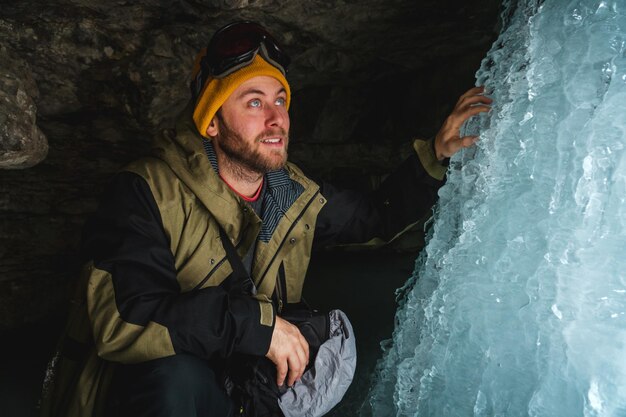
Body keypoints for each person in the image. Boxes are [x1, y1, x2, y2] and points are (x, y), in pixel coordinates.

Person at [41, 21, 491, 417]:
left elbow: (374, 217)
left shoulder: (287, 192)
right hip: (152, 399)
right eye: (254, 103)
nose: (277, 119)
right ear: (212, 122)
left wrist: (435, 153)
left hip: (236, 387)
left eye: (281, 100)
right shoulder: (146, 190)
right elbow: (124, 318)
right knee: (172, 374)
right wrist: (259, 327)